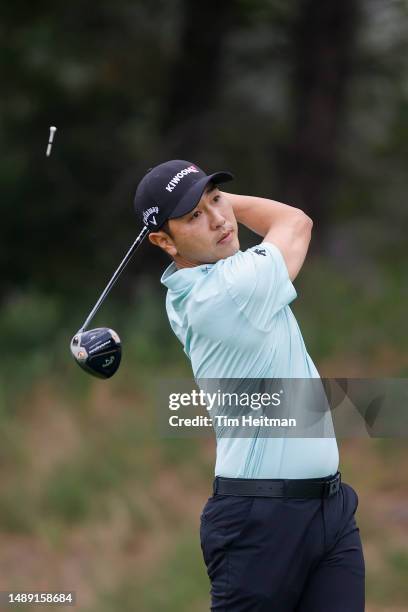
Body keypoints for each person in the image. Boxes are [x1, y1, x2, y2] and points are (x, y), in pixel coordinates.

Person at [134, 159, 365, 611]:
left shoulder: (212, 279)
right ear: (163, 240)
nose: (220, 219)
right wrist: (221, 202)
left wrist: (199, 202)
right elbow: (295, 221)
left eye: (217, 200)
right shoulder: (225, 293)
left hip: (330, 509)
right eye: (194, 216)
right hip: (260, 523)